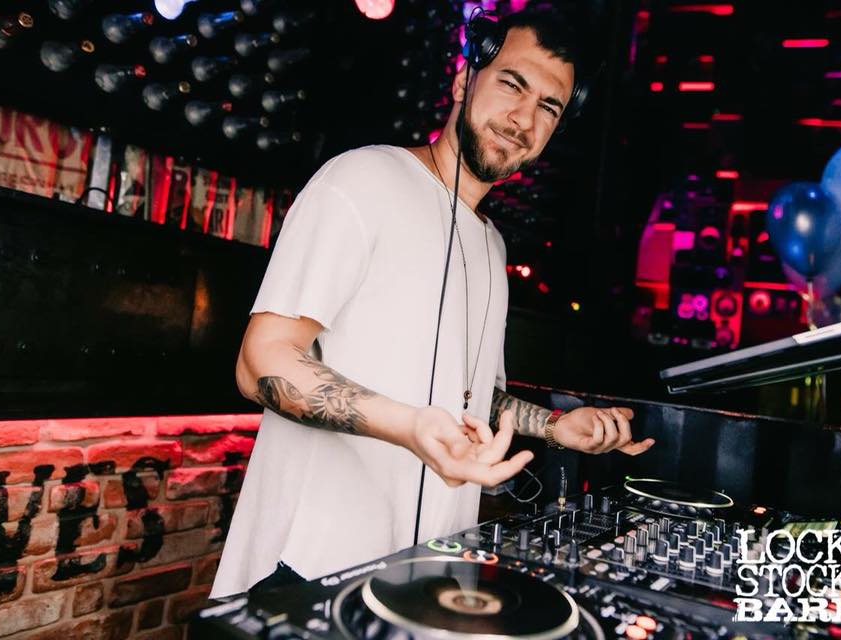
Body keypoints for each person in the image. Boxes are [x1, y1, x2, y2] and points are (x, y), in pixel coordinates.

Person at [210, 9, 654, 599]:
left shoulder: (492, 246)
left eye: (548, 107)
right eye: (511, 84)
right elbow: (260, 362)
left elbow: (471, 395)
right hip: (306, 572)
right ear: (464, 80)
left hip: (423, 578)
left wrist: (554, 427)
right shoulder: (362, 180)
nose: (523, 119)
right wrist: (410, 427)